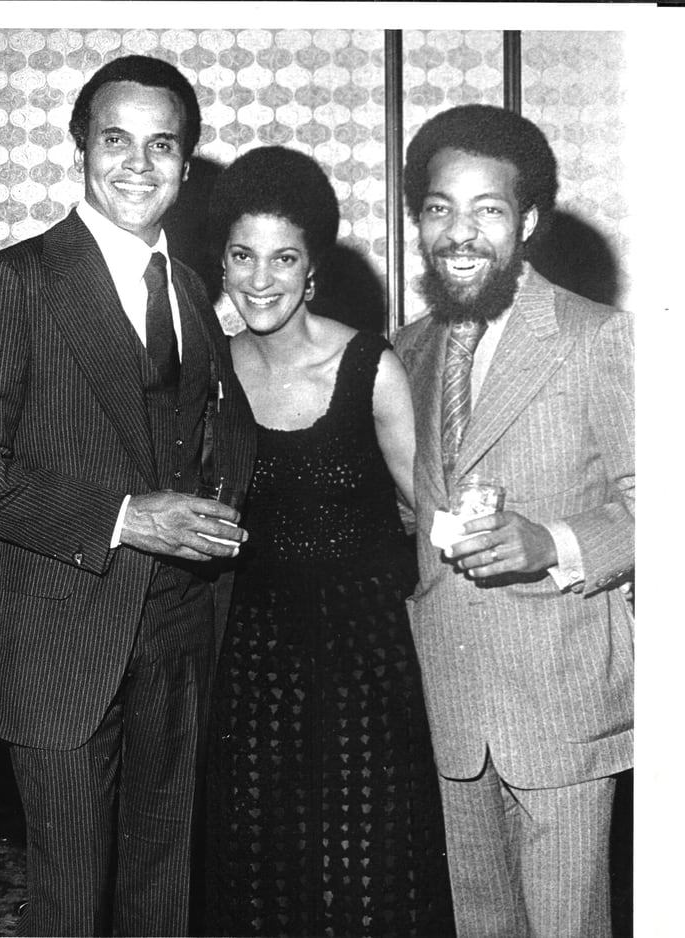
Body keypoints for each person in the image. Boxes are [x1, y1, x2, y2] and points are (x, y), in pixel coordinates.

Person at [0, 54, 256, 937]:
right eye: (117, 140)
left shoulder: (187, 291)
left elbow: (201, 436)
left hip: (178, 633)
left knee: (162, 886)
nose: (139, 165)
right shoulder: (16, 283)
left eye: (163, 145)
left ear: (186, 164)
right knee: (70, 898)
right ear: (80, 149)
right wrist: (121, 517)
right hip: (62, 641)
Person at [201, 145, 455, 938]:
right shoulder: (212, 370)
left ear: (312, 269)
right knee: (261, 858)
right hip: (254, 654)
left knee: (367, 861)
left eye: (284, 258)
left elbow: (428, 508)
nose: (261, 278)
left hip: (368, 655)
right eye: (243, 256)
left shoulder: (367, 365)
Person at [395, 103, 634, 938]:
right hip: (447, 706)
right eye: (439, 208)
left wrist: (553, 544)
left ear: (527, 220)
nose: (461, 233)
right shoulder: (407, 350)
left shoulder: (597, 336)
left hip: (561, 706)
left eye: (488, 210)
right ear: (419, 219)